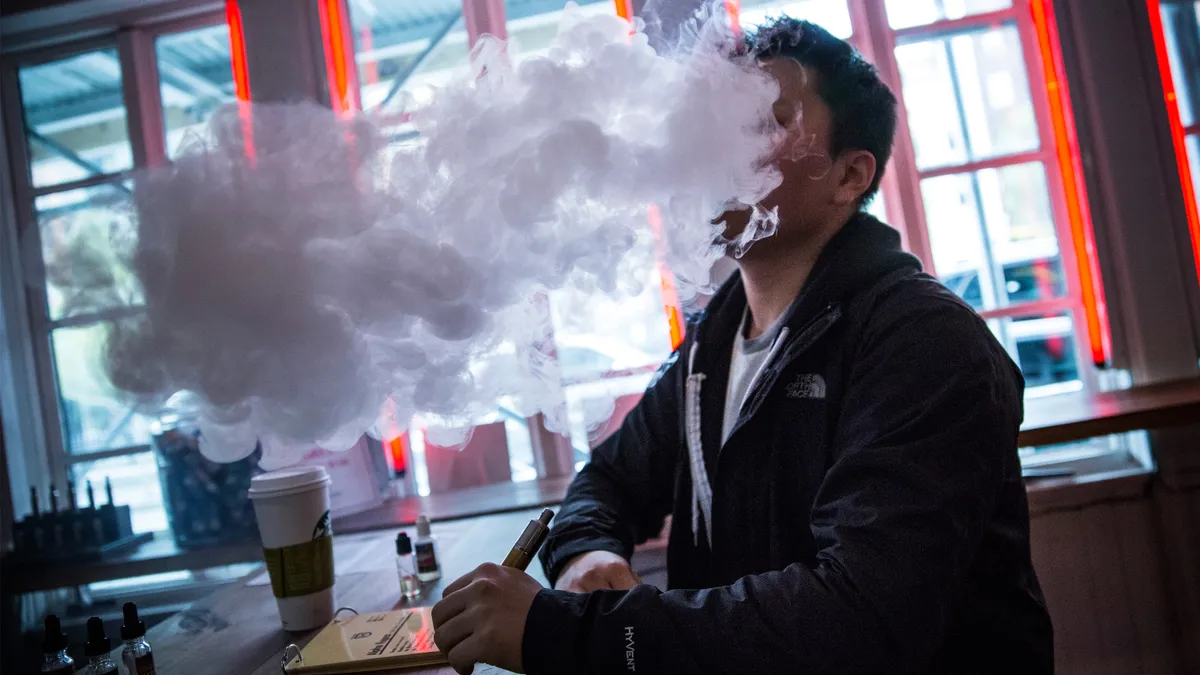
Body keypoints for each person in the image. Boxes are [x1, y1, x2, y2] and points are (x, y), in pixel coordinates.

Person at [430, 17, 1053, 675]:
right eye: (720, 118)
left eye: (764, 119)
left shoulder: (922, 343)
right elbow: (608, 481)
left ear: (849, 177)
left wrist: (564, 633)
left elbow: (857, 622)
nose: (720, 145)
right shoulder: (715, 341)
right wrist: (584, 553)